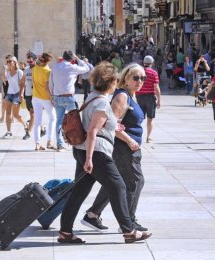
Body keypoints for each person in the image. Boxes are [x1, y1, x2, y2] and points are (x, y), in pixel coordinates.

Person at [58, 61, 152, 244]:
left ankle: (65, 232)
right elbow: (93, 131)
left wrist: (113, 126)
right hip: (96, 152)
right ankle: (129, 231)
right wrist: (90, 159)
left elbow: (95, 124)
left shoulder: (92, 96)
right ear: (111, 83)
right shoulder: (101, 102)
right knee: (118, 186)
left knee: (79, 192)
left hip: (82, 149)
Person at [82, 63, 148, 232]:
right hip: (123, 147)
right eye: (136, 78)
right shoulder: (122, 97)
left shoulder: (132, 96)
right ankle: (128, 223)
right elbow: (111, 124)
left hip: (128, 146)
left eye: (143, 78)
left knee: (116, 182)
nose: (140, 81)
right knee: (135, 181)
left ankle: (92, 214)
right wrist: (129, 141)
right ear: (126, 78)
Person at [49, 50, 90, 152]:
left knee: (59, 121)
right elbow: (87, 68)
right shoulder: (72, 67)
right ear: (72, 58)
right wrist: (78, 59)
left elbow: (51, 83)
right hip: (69, 97)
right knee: (75, 120)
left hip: (57, 97)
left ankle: (60, 144)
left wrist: (52, 97)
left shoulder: (55, 67)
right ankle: (78, 140)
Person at [32, 52, 56, 151]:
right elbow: (47, 87)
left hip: (35, 97)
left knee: (37, 121)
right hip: (45, 98)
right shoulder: (47, 70)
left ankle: (37, 144)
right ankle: (49, 141)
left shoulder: (35, 68)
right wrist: (52, 98)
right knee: (53, 118)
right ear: (49, 60)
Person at [1, 55, 27, 138]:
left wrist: (21, 94)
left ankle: (25, 124)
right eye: (7, 61)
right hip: (9, 94)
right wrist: (5, 69)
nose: (8, 63)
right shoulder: (8, 72)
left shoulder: (19, 72)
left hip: (17, 94)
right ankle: (9, 131)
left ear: (15, 62)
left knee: (15, 115)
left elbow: (23, 84)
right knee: (8, 114)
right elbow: (4, 80)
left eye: (10, 61)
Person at [136, 55, 161, 143]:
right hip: (150, 97)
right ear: (152, 63)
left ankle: (136, 135)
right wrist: (159, 100)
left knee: (139, 118)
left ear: (144, 62)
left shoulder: (139, 72)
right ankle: (148, 137)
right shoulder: (153, 73)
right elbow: (156, 87)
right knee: (150, 118)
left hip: (139, 96)